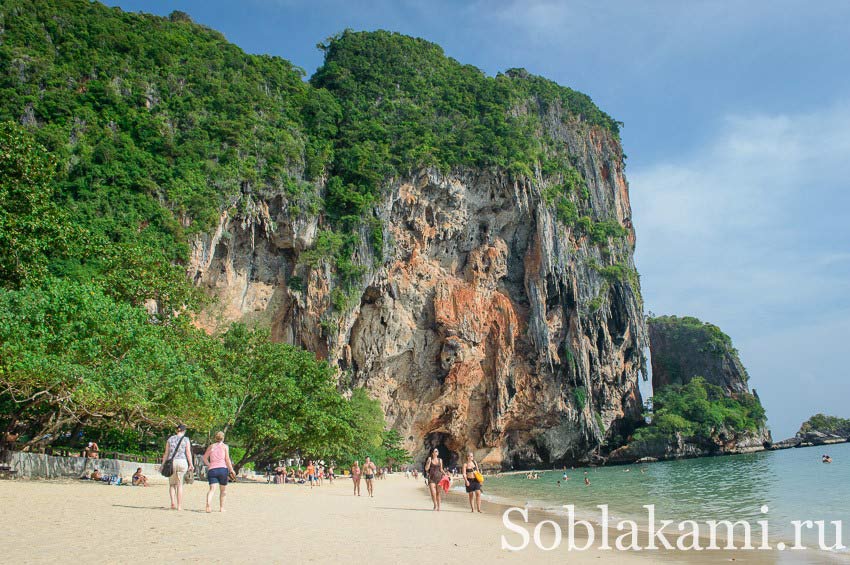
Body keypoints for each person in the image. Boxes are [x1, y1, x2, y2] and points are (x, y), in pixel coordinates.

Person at [162, 424, 194, 511]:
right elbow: (188, 452)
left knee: (172, 484)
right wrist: (191, 464)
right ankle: (179, 506)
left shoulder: (170, 439)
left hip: (171, 462)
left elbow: (166, 453)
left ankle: (173, 503)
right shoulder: (186, 439)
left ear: (177, 430)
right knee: (180, 485)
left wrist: (163, 464)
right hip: (182, 461)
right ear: (184, 431)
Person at [202, 431, 235, 513]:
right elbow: (227, 459)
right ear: (223, 438)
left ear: (215, 438)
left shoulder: (211, 446)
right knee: (223, 490)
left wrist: (209, 465)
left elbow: (204, 458)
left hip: (212, 469)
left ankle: (208, 505)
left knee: (212, 489)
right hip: (222, 469)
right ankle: (221, 507)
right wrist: (231, 469)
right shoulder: (225, 447)